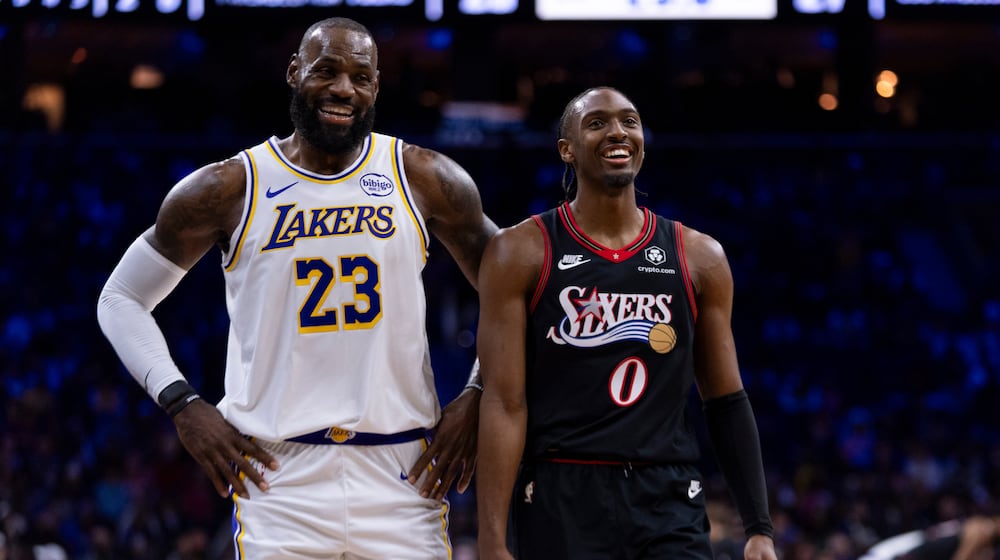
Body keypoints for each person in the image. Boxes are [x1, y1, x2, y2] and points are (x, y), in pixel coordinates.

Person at [96, 17, 497, 559]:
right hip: (277, 477)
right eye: (326, 70)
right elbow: (120, 299)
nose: (342, 89)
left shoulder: (425, 178)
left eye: (360, 76)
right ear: (294, 73)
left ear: (376, 87)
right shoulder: (228, 187)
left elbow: (514, 289)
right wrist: (183, 404)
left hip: (404, 472)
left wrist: (476, 392)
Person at [475, 86, 777, 560]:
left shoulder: (699, 256)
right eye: (597, 123)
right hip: (562, 489)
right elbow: (505, 404)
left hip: (668, 493)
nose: (617, 131)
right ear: (566, 150)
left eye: (629, 121)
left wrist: (759, 527)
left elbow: (725, 400)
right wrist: (492, 539)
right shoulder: (521, 251)